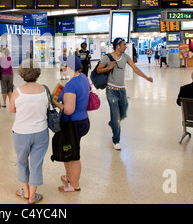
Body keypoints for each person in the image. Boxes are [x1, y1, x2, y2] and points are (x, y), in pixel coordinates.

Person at [97, 38, 153, 150]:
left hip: (122, 90)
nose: (126, 46)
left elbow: (135, 68)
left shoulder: (126, 57)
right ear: (118, 46)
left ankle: (112, 122)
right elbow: (98, 70)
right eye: (123, 45)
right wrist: (109, 67)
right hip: (111, 90)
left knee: (123, 113)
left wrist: (146, 77)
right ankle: (116, 140)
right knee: (116, 116)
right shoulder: (107, 57)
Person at [9, 59, 49, 204]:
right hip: (41, 132)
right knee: (36, 163)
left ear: (21, 73)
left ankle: (25, 191)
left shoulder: (17, 92)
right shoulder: (44, 90)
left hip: (21, 133)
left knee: (22, 161)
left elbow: (12, 109)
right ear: (37, 72)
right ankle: (33, 196)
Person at [52, 54, 90, 192]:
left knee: (72, 155)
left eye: (63, 65)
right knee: (69, 151)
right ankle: (69, 177)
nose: (61, 67)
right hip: (83, 120)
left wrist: (56, 103)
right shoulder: (82, 78)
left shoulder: (71, 85)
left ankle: (74, 185)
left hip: (72, 124)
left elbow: (68, 110)